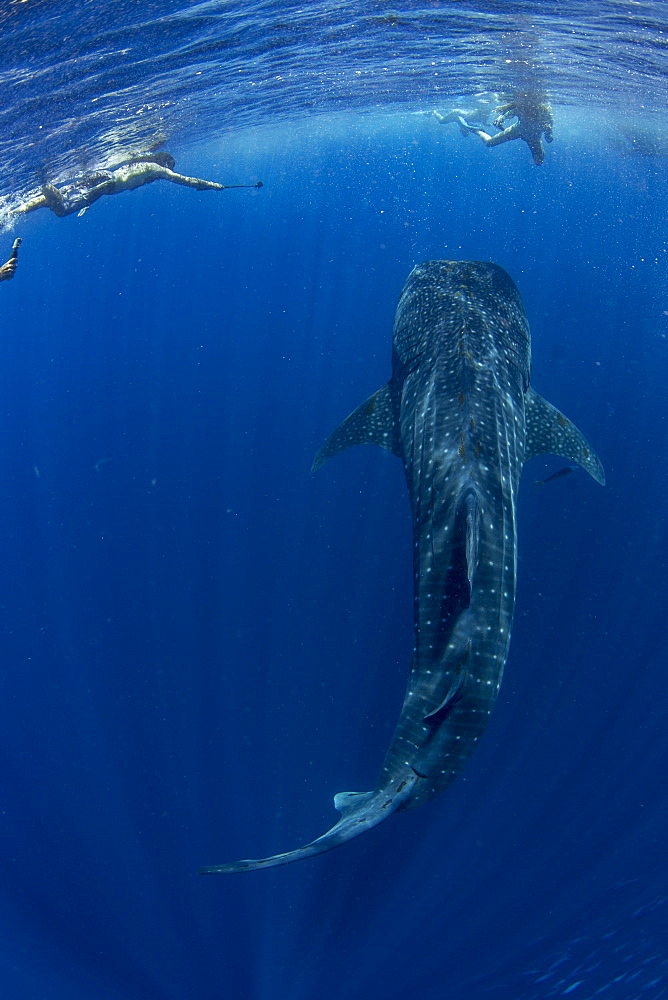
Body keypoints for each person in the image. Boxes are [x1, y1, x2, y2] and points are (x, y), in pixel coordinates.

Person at [13, 152, 262, 220]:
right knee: (62, 209)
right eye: (169, 168)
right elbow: (186, 181)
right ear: (165, 164)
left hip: (103, 178)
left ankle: (14, 211)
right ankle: (43, 181)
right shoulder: (157, 169)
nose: (168, 173)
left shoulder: (141, 163)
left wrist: (88, 204)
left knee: (57, 200)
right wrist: (213, 185)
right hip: (107, 184)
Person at [457, 91, 554, 166]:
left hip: (533, 137)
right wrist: (500, 120)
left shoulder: (543, 111)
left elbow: (549, 124)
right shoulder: (522, 107)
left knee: (539, 162)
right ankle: (477, 130)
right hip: (517, 130)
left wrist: (549, 134)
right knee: (489, 143)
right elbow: (509, 113)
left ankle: (474, 129)